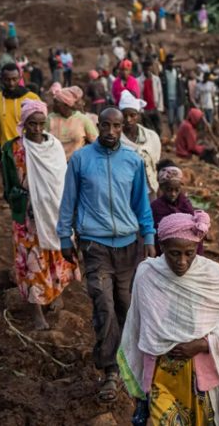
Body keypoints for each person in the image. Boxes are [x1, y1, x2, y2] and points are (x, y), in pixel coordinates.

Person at [56, 108, 156, 402]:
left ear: (122, 127)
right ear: (97, 126)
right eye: (106, 126)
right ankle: (110, 371)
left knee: (126, 306)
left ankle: (131, 362)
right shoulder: (81, 160)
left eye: (117, 126)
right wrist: (65, 236)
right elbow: (68, 201)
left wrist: (148, 236)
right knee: (104, 305)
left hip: (128, 247)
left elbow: (141, 204)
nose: (111, 131)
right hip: (94, 246)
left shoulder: (132, 161)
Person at [118, 211, 219, 426]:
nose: (182, 261)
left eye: (189, 253)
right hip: (161, 371)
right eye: (175, 253)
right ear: (163, 248)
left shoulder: (212, 275)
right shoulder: (147, 274)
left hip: (199, 374)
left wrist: (202, 344)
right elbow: (139, 325)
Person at [1, 100, 80, 330]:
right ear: (23, 124)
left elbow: (61, 180)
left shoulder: (54, 146)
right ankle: (36, 312)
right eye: (31, 124)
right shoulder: (13, 149)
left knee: (57, 255)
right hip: (28, 218)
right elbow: (8, 185)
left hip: (55, 213)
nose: (36, 129)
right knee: (32, 261)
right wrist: (26, 201)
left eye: (40, 124)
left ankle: (55, 294)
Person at [0, 64, 42, 165]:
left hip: (30, 151)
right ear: (1, 79)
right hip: (7, 152)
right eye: (7, 79)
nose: (11, 83)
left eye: (14, 79)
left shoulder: (32, 98)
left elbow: (42, 125)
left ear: (20, 78)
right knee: (9, 181)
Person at [119, 90, 162, 199]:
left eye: (132, 115)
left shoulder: (151, 137)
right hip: (125, 193)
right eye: (124, 115)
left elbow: (156, 163)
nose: (128, 119)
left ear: (138, 115)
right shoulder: (115, 139)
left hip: (149, 190)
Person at [150, 164, 198, 254]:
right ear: (161, 188)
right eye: (169, 190)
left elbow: (194, 230)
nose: (173, 194)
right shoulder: (156, 207)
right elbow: (154, 233)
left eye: (177, 190)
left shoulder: (186, 204)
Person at [46, 86, 99, 160]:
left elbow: (96, 143)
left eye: (57, 102)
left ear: (66, 105)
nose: (54, 104)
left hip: (77, 165)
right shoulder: (49, 119)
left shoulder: (83, 120)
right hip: (54, 164)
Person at [161, 55, 186, 137]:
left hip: (179, 99)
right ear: (167, 63)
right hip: (169, 100)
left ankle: (181, 136)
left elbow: (183, 84)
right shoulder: (163, 74)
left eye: (173, 62)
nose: (172, 64)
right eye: (170, 62)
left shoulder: (178, 72)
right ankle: (173, 135)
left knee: (180, 119)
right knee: (171, 121)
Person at [138, 61, 164, 136]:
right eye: (146, 68)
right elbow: (139, 96)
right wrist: (141, 110)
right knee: (149, 130)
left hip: (155, 108)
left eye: (149, 68)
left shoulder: (156, 79)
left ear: (151, 68)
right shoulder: (139, 81)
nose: (148, 70)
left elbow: (160, 93)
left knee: (159, 128)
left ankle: (159, 142)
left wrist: (160, 108)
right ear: (143, 69)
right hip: (145, 109)